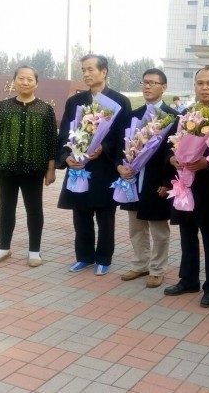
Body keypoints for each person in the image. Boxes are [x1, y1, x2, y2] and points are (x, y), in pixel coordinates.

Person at [163, 67, 209, 308]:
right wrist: (172, 158)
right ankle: (188, 280)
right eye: (200, 83)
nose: (204, 87)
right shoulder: (186, 113)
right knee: (187, 234)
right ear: (194, 86)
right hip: (186, 185)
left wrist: (207, 163)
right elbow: (174, 144)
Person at [57, 54, 131, 276]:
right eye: (83, 70)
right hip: (79, 168)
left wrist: (104, 148)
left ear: (104, 71)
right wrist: (65, 157)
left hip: (105, 168)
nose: (86, 74)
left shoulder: (119, 101)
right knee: (80, 215)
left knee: (105, 216)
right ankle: (84, 257)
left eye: (91, 69)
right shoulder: (75, 102)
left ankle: (104, 257)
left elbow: (124, 138)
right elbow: (64, 134)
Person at [0, 66, 58, 267]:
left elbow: (52, 141)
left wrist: (51, 169)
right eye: (21, 78)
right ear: (14, 81)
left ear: (36, 83)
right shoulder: (3, 106)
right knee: (6, 208)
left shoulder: (45, 109)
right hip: (6, 165)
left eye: (29, 79)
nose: (25, 82)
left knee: (34, 209)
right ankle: (3, 249)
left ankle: (34, 251)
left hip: (34, 167)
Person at [118, 69, 178, 288]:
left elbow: (175, 152)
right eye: (145, 82)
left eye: (153, 83)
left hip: (156, 181)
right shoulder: (134, 114)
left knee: (159, 229)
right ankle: (140, 264)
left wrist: (167, 182)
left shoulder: (174, 117)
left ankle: (157, 269)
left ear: (164, 86)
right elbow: (121, 144)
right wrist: (120, 167)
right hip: (133, 179)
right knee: (136, 227)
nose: (147, 86)